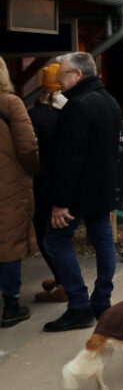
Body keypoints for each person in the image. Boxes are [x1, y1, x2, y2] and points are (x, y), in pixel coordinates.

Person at [43, 52, 121, 332]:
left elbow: (70, 157)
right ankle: (101, 299)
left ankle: (78, 305)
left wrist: (60, 202)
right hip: (101, 187)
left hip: (78, 192)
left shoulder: (78, 105)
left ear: (77, 75)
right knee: (103, 241)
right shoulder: (108, 100)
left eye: (62, 74)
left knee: (55, 241)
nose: (58, 80)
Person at [0, 56, 39, 328]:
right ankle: (11, 305)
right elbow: (28, 146)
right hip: (9, 181)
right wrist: (32, 170)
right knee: (8, 242)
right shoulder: (11, 103)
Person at [27, 63, 67, 305]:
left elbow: (29, 151)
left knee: (45, 235)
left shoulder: (36, 115)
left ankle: (63, 282)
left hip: (43, 182)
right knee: (61, 235)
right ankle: (62, 277)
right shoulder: (71, 112)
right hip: (67, 181)